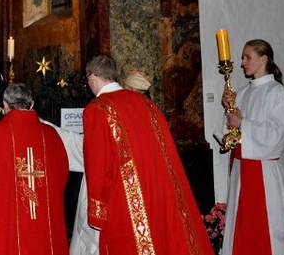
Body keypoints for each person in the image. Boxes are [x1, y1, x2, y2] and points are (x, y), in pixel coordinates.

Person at [82, 54, 212, 255]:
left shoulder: (97, 109)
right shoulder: (148, 104)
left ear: (92, 77)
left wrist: (97, 214)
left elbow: (97, 165)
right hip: (159, 189)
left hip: (124, 198)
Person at [0, 83, 69, 255]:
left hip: (3, 223)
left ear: (5, 105)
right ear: (31, 104)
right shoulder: (51, 135)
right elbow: (61, 175)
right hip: (44, 222)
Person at [47, 69, 153, 255]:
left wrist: (44, 127)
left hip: (118, 197)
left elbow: (88, 152)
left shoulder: (106, 110)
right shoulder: (149, 115)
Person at [220, 39, 284, 255]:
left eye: (247, 57)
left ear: (263, 59)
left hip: (264, 171)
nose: (242, 62)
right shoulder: (243, 92)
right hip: (242, 169)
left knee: (265, 228)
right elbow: (231, 132)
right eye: (243, 57)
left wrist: (243, 123)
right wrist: (228, 109)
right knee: (243, 224)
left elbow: (278, 135)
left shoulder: (277, 93)